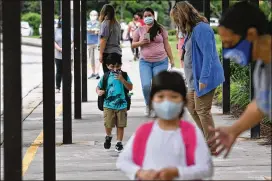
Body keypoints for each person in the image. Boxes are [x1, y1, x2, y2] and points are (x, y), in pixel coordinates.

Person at [116, 71, 213, 180]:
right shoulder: (144, 132)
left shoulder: (191, 133)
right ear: (152, 101)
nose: (167, 102)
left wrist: (177, 172)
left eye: (174, 96)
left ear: (184, 101)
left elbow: (206, 168)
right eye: (160, 96)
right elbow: (123, 161)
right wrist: (139, 172)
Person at [208, 1, 271, 159]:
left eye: (230, 43)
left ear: (250, 34)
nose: (228, 50)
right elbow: (262, 103)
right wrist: (234, 130)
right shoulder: (263, 67)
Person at [170, 2, 225, 150]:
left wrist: (204, 79)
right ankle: (209, 138)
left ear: (183, 16)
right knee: (190, 104)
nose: (176, 22)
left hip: (204, 77)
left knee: (202, 110)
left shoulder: (201, 29)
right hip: (194, 78)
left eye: (177, 19)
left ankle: (212, 144)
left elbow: (208, 56)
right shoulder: (191, 30)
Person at [132, 7, 175, 117]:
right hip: (145, 62)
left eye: (149, 15)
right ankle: (148, 105)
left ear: (153, 16)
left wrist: (172, 59)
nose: (147, 18)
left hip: (160, 61)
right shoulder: (140, 30)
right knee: (146, 86)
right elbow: (133, 44)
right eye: (145, 16)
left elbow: (167, 45)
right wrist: (141, 42)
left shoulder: (161, 29)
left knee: (158, 85)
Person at [96, 57, 133, 153]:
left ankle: (119, 142)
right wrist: (99, 91)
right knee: (108, 124)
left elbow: (130, 87)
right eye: (112, 66)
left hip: (122, 105)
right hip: (108, 105)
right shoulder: (106, 76)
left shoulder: (124, 75)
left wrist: (122, 80)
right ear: (107, 66)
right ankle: (108, 136)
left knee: (121, 125)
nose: (115, 69)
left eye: (118, 66)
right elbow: (98, 87)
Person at [99, 4, 122, 73]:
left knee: (108, 78)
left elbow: (103, 40)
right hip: (117, 53)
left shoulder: (105, 24)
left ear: (103, 12)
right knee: (116, 78)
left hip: (108, 54)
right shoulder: (117, 24)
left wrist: (100, 54)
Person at [54, 17, 74, 93]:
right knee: (59, 71)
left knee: (68, 71)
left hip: (69, 54)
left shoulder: (71, 30)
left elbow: (73, 41)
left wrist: (68, 49)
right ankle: (58, 87)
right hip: (58, 54)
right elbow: (54, 41)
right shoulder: (56, 30)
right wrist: (59, 48)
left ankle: (69, 86)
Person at [87, 10, 101, 79]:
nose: (93, 16)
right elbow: (87, 30)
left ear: (97, 16)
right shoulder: (87, 23)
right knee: (91, 59)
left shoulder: (99, 23)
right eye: (92, 14)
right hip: (89, 43)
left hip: (97, 43)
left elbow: (98, 32)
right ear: (89, 15)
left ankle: (97, 73)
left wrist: (92, 31)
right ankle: (93, 72)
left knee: (97, 58)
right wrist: (93, 31)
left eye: (95, 15)